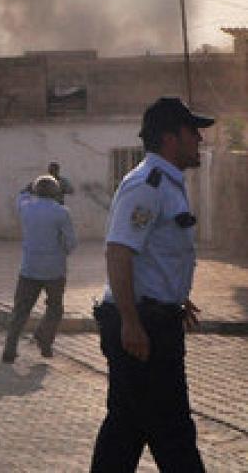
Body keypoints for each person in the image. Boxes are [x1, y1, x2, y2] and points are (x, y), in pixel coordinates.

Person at [90, 96, 211, 472]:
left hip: (155, 319)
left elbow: (156, 254)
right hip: (143, 327)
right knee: (172, 433)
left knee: (126, 430)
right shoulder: (147, 184)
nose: (200, 140)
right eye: (194, 132)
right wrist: (131, 320)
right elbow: (119, 253)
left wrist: (176, 298)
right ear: (171, 138)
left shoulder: (168, 184)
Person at [1, 175, 77, 363]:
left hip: (29, 267)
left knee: (21, 310)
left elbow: (21, 195)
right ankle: (45, 339)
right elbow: (71, 242)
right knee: (55, 308)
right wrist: (62, 251)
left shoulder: (26, 207)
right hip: (55, 269)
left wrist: (28, 187)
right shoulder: (62, 212)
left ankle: (10, 348)